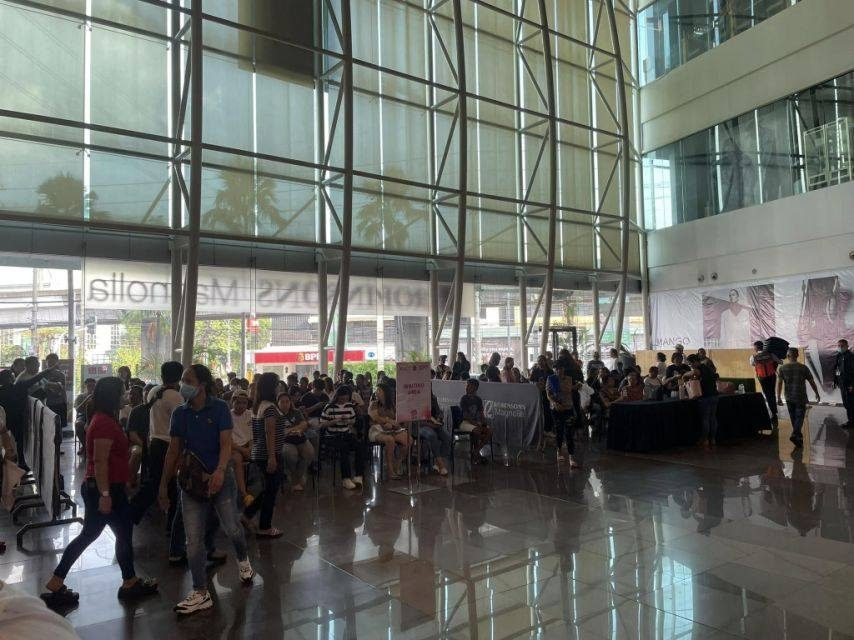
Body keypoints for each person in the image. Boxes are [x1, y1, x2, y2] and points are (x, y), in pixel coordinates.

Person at [41, 377, 158, 609]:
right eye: (123, 392)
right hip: (104, 489)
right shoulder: (104, 422)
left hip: (107, 487)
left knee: (109, 533)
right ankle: (128, 582)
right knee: (107, 534)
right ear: (113, 396)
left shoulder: (104, 418)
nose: (127, 395)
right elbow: (100, 461)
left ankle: (126, 580)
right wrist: (105, 495)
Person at [159, 364, 255, 615]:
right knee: (193, 541)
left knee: (232, 527)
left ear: (201, 385)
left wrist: (221, 471)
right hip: (192, 483)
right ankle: (200, 592)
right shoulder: (180, 414)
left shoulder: (220, 408)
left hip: (221, 480)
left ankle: (243, 560)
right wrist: (163, 485)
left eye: (188, 381)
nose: (183, 385)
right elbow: (173, 451)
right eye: (182, 380)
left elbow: (225, 444)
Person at [129, 361, 183, 525]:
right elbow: (181, 424)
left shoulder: (154, 391)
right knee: (157, 484)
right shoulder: (176, 397)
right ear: (179, 377)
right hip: (168, 445)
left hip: (154, 442)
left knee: (166, 484)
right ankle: (130, 512)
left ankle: (171, 524)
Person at [243, 373, 286, 537]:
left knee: (269, 488)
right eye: (277, 384)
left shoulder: (259, 405)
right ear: (271, 387)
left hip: (260, 452)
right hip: (268, 453)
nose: (279, 387)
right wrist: (272, 457)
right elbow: (270, 432)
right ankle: (265, 527)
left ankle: (247, 514)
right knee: (271, 491)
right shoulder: (270, 408)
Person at [320, 386, 364, 490]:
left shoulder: (349, 406)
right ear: (337, 396)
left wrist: (347, 421)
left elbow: (353, 421)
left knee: (359, 446)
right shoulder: (329, 407)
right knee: (344, 448)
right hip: (333, 435)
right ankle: (346, 478)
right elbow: (322, 424)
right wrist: (333, 421)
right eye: (342, 398)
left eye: (346, 398)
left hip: (346, 433)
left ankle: (358, 475)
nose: (344, 400)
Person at [777, 348, 820, 448]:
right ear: (797, 355)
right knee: (799, 418)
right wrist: (817, 393)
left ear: (788, 356)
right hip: (800, 397)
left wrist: (778, 397)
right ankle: (795, 434)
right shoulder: (803, 368)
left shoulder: (782, 368)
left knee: (794, 418)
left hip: (789, 397)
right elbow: (811, 381)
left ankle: (798, 438)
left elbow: (779, 384)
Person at [368, 383, 412, 480]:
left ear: (385, 392)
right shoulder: (374, 404)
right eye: (377, 390)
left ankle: (398, 462)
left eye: (379, 390)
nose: (377, 392)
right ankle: (390, 470)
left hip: (391, 429)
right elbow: (376, 418)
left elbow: (398, 419)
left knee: (408, 439)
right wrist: (388, 420)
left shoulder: (392, 405)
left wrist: (393, 424)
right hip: (376, 429)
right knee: (389, 440)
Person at [546, 363, 580, 467]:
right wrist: (554, 403)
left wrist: (575, 387)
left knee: (569, 432)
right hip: (556, 408)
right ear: (554, 370)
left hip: (568, 407)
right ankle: (559, 451)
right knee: (559, 430)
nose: (559, 371)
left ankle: (571, 457)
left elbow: (569, 389)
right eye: (556, 369)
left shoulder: (569, 378)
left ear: (563, 369)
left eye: (560, 368)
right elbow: (548, 394)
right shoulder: (551, 379)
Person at [278, 392, 313, 491]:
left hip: (299, 437)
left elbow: (304, 424)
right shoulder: (276, 415)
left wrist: (290, 430)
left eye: (287, 402)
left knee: (309, 453)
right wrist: (296, 428)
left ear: (290, 402)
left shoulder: (296, 412)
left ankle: (299, 474)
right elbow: (280, 432)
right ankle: (294, 477)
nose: (285, 404)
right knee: (291, 455)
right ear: (278, 403)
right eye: (282, 402)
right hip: (285, 441)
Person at [458, 379, 493, 465]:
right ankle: (477, 455)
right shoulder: (464, 399)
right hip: (465, 422)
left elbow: (481, 413)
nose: (466, 387)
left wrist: (484, 423)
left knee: (489, 431)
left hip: (476, 423)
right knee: (477, 431)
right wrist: (476, 424)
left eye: (469, 386)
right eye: (466, 385)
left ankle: (475, 451)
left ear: (475, 388)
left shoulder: (478, 400)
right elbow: (465, 416)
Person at [688, 354, 719, 449]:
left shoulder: (698, 370)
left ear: (695, 361)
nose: (690, 366)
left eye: (690, 363)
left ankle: (705, 439)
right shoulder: (708, 368)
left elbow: (690, 374)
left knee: (705, 419)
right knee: (713, 418)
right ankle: (713, 439)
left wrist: (684, 375)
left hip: (705, 396)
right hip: (714, 395)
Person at [229, 390, 253, 505]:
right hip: (234, 448)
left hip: (249, 446)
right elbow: (227, 441)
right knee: (237, 459)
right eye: (238, 402)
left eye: (244, 403)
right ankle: (244, 494)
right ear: (233, 402)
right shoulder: (227, 416)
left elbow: (254, 435)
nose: (241, 406)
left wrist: (250, 448)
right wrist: (243, 450)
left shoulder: (250, 414)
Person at [751, 340, 781, 427]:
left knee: (767, 395)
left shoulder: (753, 357)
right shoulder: (771, 355)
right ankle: (774, 412)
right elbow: (780, 362)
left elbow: (753, 364)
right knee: (772, 394)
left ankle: (773, 413)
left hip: (762, 377)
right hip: (772, 376)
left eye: (754, 347)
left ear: (756, 348)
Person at [421, 393, 450, 475]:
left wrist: (439, 418)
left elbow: (438, 411)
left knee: (447, 437)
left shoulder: (433, 398)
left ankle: (438, 463)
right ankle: (441, 464)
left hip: (434, 423)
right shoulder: (416, 398)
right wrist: (430, 425)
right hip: (421, 425)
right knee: (432, 435)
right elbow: (416, 420)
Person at [834, 339, 854, 427]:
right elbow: (836, 369)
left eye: (842, 346)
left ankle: (851, 422)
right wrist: (835, 381)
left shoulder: (851, 356)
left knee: (850, 403)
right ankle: (851, 420)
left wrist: (852, 385)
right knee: (846, 403)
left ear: (847, 346)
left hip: (849, 385)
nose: (840, 347)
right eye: (839, 346)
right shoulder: (838, 356)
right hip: (842, 384)